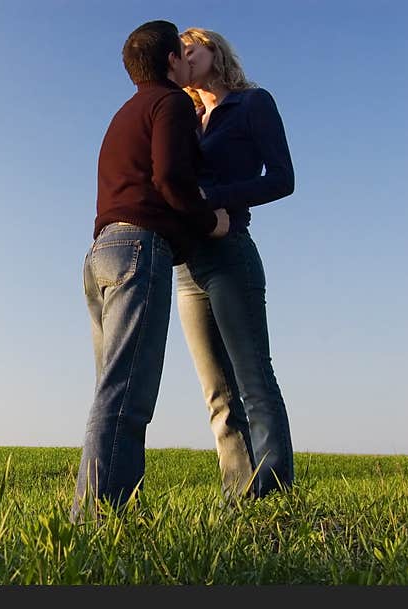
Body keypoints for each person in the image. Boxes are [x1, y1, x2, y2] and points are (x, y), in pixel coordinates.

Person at [71, 20, 229, 523]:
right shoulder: (172, 103)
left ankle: (90, 516)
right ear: (169, 63)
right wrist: (211, 221)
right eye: (180, 54)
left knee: (111, 390)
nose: (187, 61)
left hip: (100, 254)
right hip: (139, 249)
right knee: (128, 396)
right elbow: (170, 177)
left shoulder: (124, 112)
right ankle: (101, 523)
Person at [176, 27, 295, 499]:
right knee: (216, 393)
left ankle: (274, 497)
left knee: (254, 379)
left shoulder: (253, 103)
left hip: (231, 253)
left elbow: (283, 178)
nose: (184, 57)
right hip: (188, 263)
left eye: (192, 48)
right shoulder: (184, 119)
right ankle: (239, 497)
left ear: (214, 51)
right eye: (178, 54)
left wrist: (217, 197)